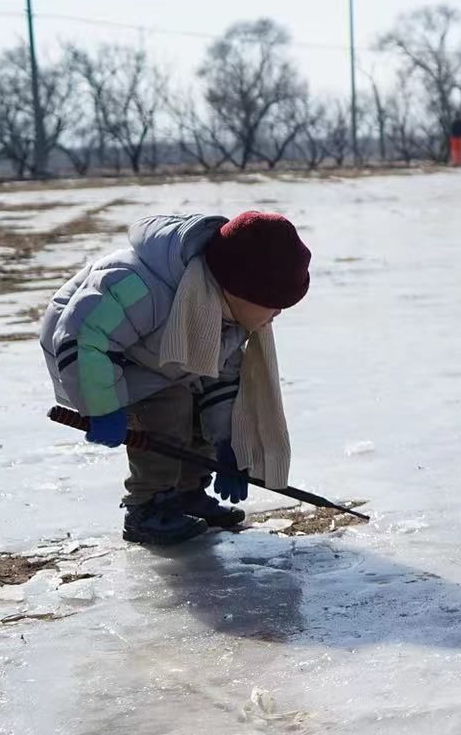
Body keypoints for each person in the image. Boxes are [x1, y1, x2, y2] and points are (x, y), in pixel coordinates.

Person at [39, 212, 311, 545]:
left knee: (197, 400)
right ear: (240, 290)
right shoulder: (139, 286)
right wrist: (101, 406)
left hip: (153, 361)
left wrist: (227, 443)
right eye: (273, 304)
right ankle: (147, 506)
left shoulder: (230, 319)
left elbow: (220, 381)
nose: (277, 315)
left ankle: (186, 491)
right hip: (86, 357)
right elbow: (84, 340)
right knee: (170, 404)